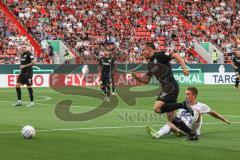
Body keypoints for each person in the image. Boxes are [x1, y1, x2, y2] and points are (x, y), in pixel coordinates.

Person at [131, 42, 198, 140]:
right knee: (171, 117)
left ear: (149, 49)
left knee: (157, 108)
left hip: (170, 86)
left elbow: (176, 55)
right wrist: (137, 78)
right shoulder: (150, 64)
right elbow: (147, 80)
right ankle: (192, 134)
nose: (142, 53)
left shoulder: (160, 55)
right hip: (168, 88)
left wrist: (184, 68)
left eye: (143, 50)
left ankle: (183, 105)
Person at [146, 87, 231, 139]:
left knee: (196, 112)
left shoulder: (201, 106)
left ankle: (176, 132)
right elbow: (177, 120)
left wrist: (223, 119)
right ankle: (160, 133)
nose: (186, 96)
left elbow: (212, 113)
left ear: (194, 95)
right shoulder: (182, 106)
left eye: (188, 94)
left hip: (193, 128)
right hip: (183, 128)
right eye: (185, 94)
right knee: (170, 122)